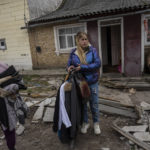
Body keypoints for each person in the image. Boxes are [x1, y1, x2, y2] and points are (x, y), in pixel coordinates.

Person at [67, 32, 101, 135]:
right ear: (78, 41)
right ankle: (86, 123)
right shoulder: (74, 52)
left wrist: (83, 67)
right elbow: (69, 64)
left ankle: (96, 123)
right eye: (82, 39)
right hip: (81, 83)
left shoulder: (93, 50)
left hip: (92, 81)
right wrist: (68, 68)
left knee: (94, 104)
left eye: (86, 39)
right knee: (84, 104)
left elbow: (97, 64)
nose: (85, 41)